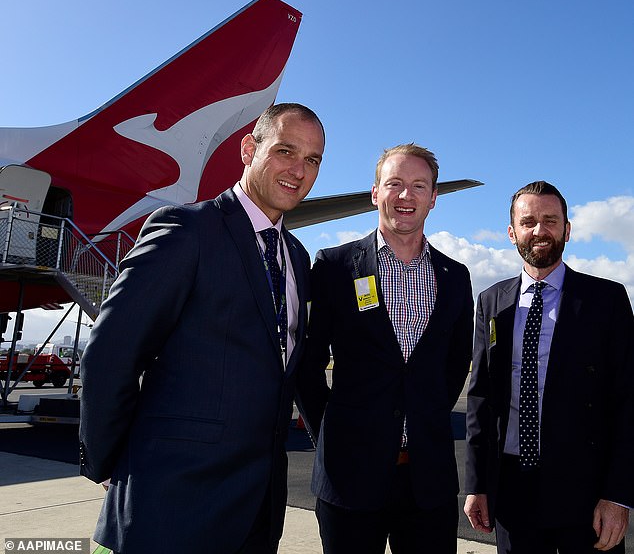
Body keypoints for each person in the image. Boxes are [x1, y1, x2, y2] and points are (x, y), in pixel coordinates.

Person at [79, 103, 325, 554]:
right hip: (171, 500)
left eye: (312, 160)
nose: (298, 169)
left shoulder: (296, 255)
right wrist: (111, 461)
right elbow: (111, 351)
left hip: (258, 507)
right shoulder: (186, 229)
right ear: (249, 149)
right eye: (285, 151)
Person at [296, 143, 474, 554]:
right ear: (375, 192)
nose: (405, 195)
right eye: (394, 183)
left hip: (428, 483)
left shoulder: (455, 276)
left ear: (434, 198)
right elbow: (308, 365)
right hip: (348, 478)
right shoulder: (334, 266)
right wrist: (335, 435)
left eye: (418, 186)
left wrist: (423, 412)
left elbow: (454, 364)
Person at [464, 181, 634, 553]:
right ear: (512, 233)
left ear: (567, 230)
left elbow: (628, 402)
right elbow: (480, 398)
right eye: (528, 222)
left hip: (586, 492)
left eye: (550, 220)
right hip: (512, 488)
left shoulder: (606, 300)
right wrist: (476, 484)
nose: (539, 230)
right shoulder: (491, 301)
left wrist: (618, 496)